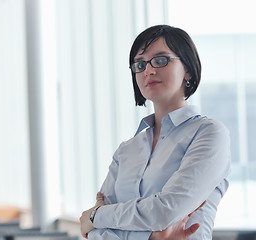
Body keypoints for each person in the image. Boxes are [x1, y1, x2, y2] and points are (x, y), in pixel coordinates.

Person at [79, 25, 231, 240]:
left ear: (187, 68)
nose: (148, 70)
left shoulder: (209, 134)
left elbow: (165, 210)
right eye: (140, 64)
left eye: (161, 60)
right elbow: (94, 233)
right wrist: (151, 237)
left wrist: (96, 215)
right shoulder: (126, 150)